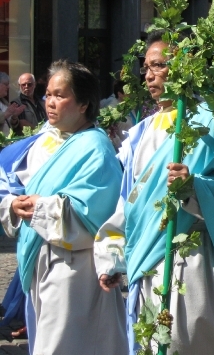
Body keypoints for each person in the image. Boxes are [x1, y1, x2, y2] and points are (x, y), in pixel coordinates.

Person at [94, 31, 214, 355]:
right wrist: (112, 255)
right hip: (145, 253)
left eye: (158, 66)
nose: (148, 75)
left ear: (183, 70)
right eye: (145, 67)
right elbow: (130, 201)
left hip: (187, 253)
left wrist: (194, 187)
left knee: (186, 340)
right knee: (150, 340)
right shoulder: (141, 132)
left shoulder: (208, 125)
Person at [0, 60, 128, 354]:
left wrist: (41, 206)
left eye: (60, 95)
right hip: (39, 258)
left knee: (65, 344)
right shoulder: (39, 143)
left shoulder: (95, 148)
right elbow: (9, 187)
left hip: (75, 266)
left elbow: (96, 211)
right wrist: (13, 204)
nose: (50, 102)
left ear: (83, 103)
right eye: (48, 94)